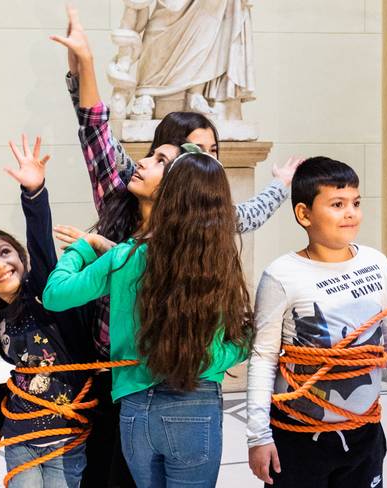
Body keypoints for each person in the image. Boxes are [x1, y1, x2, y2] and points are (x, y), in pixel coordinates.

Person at [43, 150, 253, 487]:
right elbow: (239, 342)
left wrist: (83, 248)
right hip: (195, 404)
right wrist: (225, 352)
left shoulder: (126, 255)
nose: (144, 162)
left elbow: (56, 295)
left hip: (135, 407)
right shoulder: (217, 262)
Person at [246, 157, 387, 487]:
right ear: (304, 214)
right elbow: (263, 357)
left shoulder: (376, 262)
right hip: (298, 438)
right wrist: (258, 434)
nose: (351, 213)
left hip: (364, 433)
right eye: (337, 204)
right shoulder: (282, 275)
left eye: (356, 203)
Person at [0, 135, 112, 487]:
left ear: (21, 257)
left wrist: (34, 194)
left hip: (66, 436)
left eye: (4, 252)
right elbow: (23, 378)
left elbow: (42, 245)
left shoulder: (47, 293)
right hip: (20, 437)